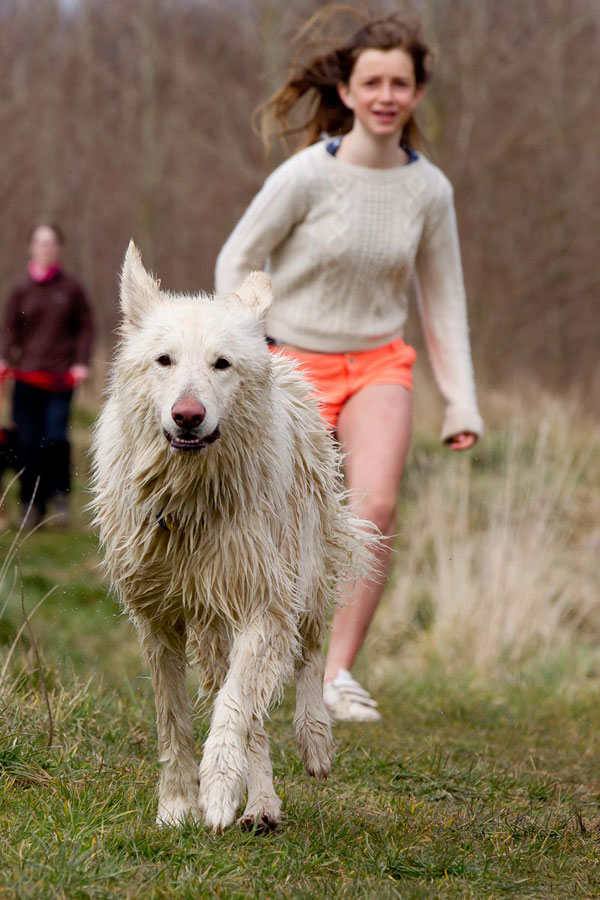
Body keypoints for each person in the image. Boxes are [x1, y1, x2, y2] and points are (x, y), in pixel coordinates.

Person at [215, 10, 483, 722]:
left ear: (418, 91)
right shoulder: (306, 176)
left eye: (401, 82)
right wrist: (242, 355)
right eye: (374, 82)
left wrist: (461, 401)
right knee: (277, 519)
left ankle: (335, 674)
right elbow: (237, 258)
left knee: (376, 508)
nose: (387, 94)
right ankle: (254, 657)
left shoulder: (430, 191)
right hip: (289, 364)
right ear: (351, 88)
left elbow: (444, 300)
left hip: (378, 362)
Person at [0, 222, 94, 527]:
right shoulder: (20, 289)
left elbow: (85, 328)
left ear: (59, 249)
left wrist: (81, 362)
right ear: (31, 248)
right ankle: (31, 505)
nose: (46, 247)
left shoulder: (71, 289)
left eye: (51, 242)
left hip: (60, 380)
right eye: (40, 242)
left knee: (54, 438)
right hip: (27, 379)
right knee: (26, 442)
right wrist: (3, 357)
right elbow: (9, 330)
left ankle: (61, 498)